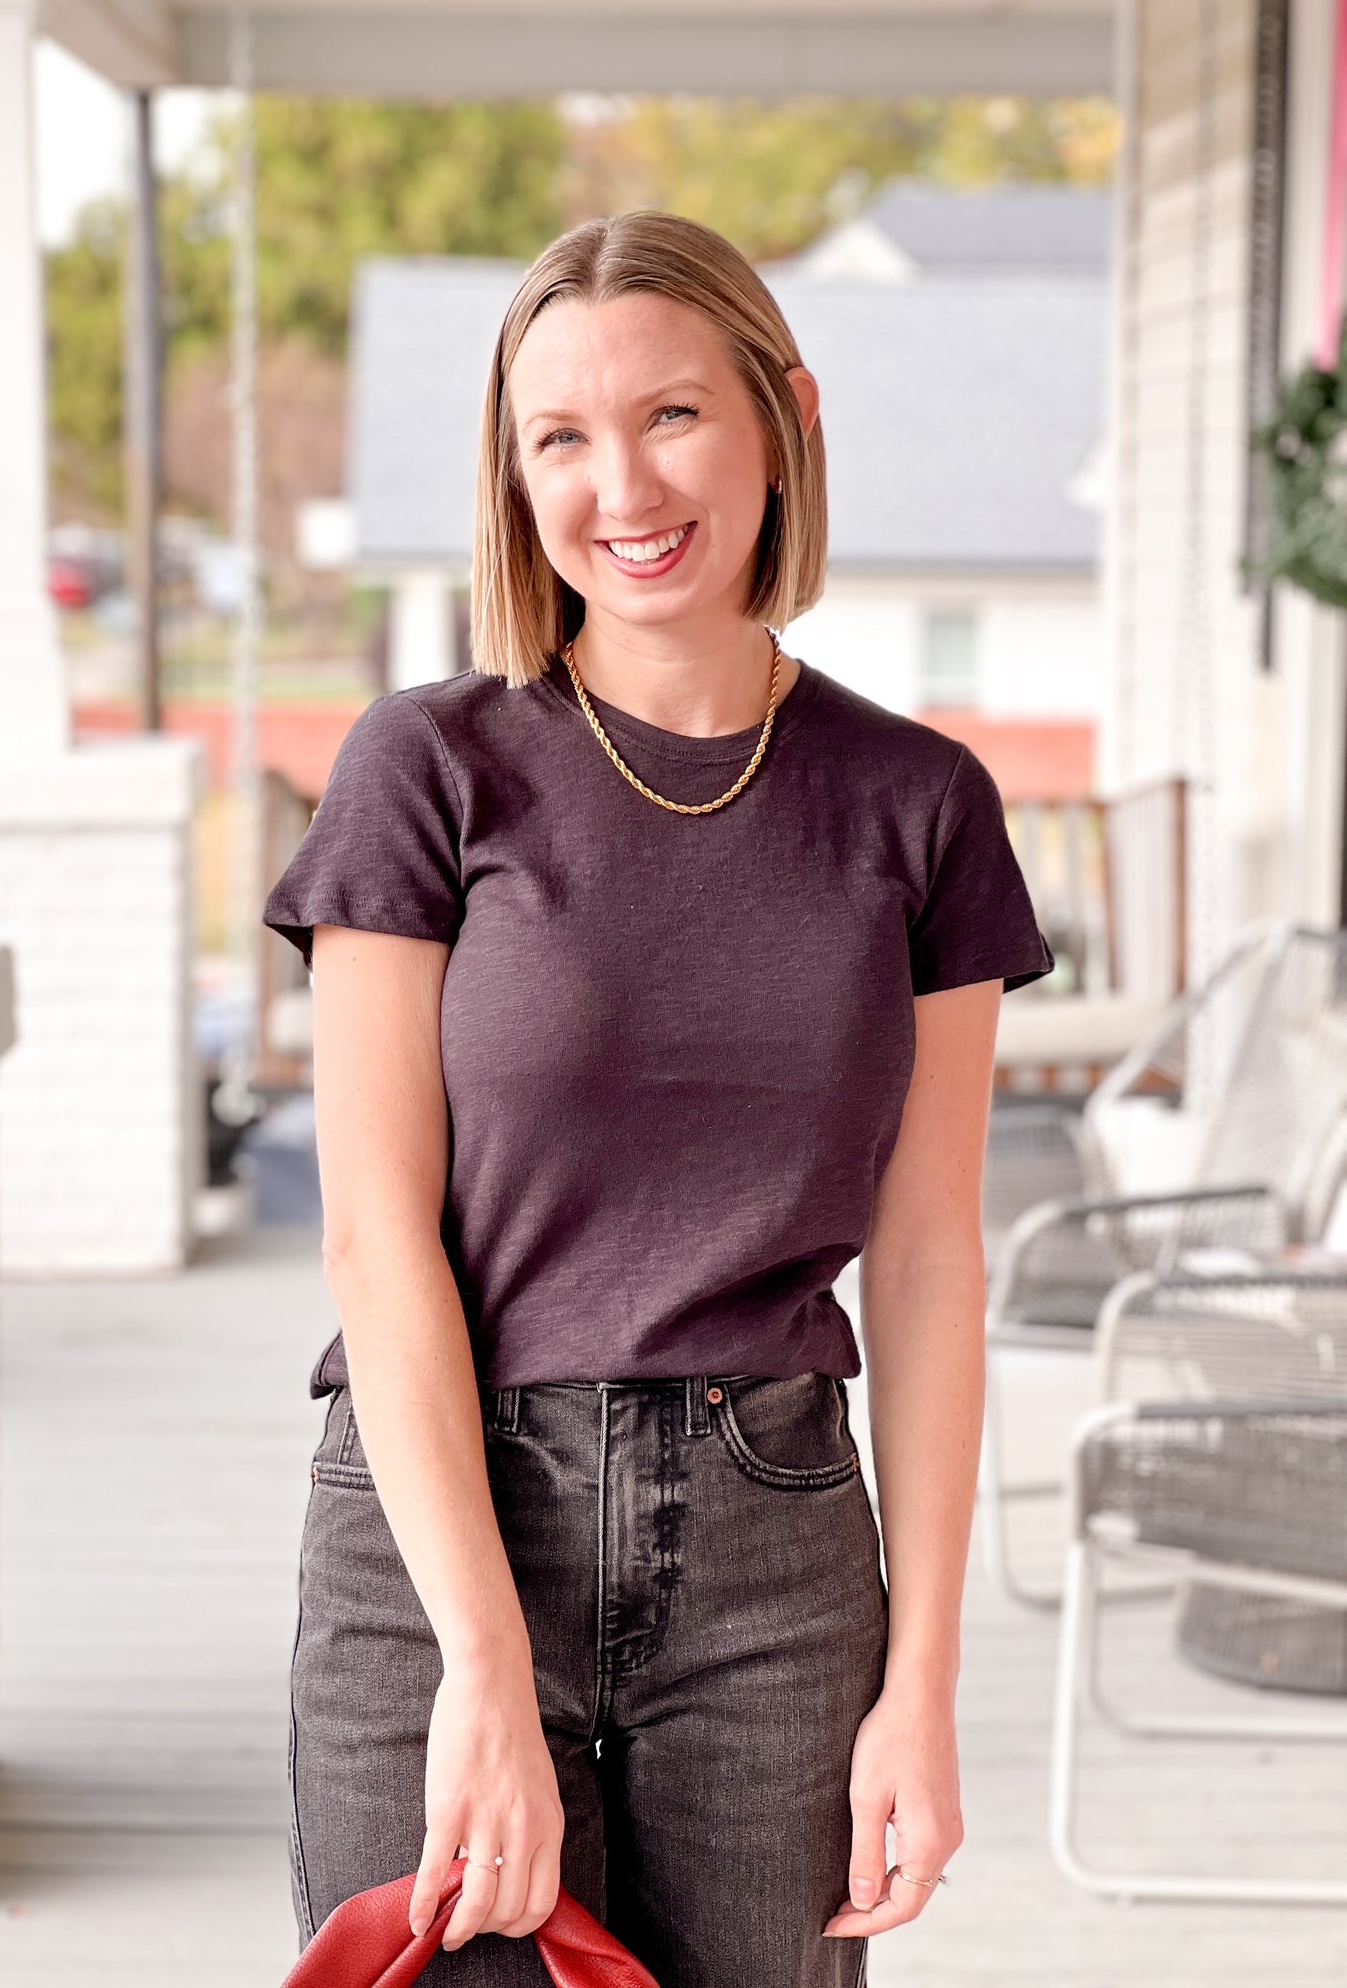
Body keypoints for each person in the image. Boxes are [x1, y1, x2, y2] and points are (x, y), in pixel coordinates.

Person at [262, 210, 1054, 1988]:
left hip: (772, 1556)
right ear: (516, 472)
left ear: (785, 415)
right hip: (448, 1529)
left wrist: (920, 1682)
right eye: (561, 437)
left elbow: (929, 1260)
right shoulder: (428, 769)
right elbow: (378, 1237)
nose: (621, 482)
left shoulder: (920, 806)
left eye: (674, 416)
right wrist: (479, 1660)